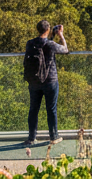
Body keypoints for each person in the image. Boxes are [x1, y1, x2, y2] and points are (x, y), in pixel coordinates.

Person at [22, 19, 70, 147]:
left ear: (38, 29)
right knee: (51, 109)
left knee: (33, 109)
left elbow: (44, 45)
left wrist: (52, 35)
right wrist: (61, 35)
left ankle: (31, 138)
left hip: (34, 81)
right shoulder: (50, 44)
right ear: (47, 30)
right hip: (50, 81)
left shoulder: (30, 43)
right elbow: (65, 50)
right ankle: (53, 137)